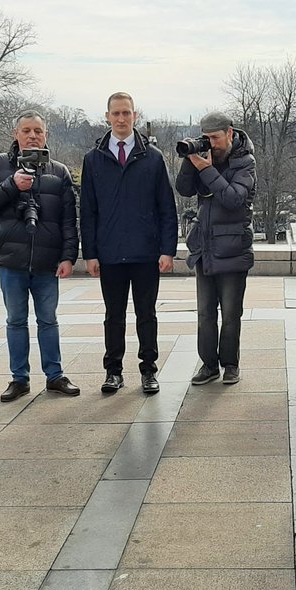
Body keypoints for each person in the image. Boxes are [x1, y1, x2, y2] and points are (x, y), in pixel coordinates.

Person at [0, 111, 81, 402]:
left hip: (47, 262)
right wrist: (12, 185)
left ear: (46, 135)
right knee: (16, 321)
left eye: (38, 131)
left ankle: (55, 376)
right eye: (26, 131)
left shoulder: (59, 172)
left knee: (48, 320)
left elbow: (68, 220)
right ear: (16, 134)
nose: (32, 136)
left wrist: (68, 256)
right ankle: (19, 379)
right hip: (11, 260)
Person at [80, 92, 178, 395]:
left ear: (135, 115)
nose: (121, 118)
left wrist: (167, 250)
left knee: (146, 315)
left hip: (146, 252)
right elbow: (88, 211)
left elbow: (167, 207)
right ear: (107, 117)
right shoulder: (93, 159)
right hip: (110, 253)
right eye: (116, 113)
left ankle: (149, 370)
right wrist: (90, 253)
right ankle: (113, 371)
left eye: (126, 113)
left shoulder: (153, 158)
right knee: (114, 316)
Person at [175, 111, 256, 386]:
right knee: (205, 313)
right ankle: (209, 365)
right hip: (204, 246)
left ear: (230, 133)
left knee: (231, 313)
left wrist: (206, 170)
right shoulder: (203, 157)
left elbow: (233, 199)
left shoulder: (245, 162)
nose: (211, 143)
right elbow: (184, 189)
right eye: (206, 138)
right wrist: (191, 160)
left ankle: (230, 364)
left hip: (233, 246)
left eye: (215, 137)